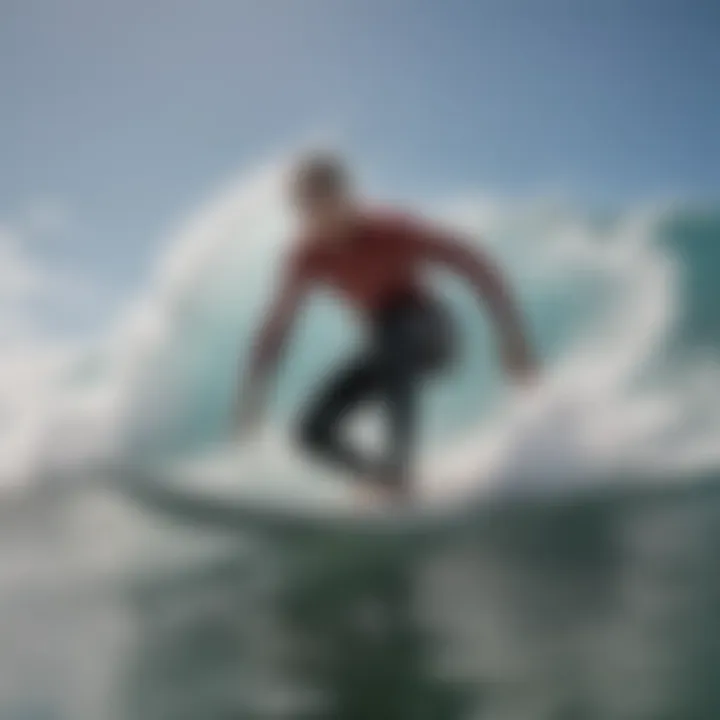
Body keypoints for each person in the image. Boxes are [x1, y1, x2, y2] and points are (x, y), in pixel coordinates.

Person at [236, 152, 536, 504]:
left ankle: (399, 474)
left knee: (394, 333)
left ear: (347, 195)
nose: (319, 214)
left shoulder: (393, 231)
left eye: (326, 198)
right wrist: (253, 392)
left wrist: (511, 336)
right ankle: (379, 478)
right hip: (384, 345)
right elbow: (279, 323)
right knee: (311, 432)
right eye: (307, 205)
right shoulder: (306, 257)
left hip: (431, 334)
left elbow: (473, 263)